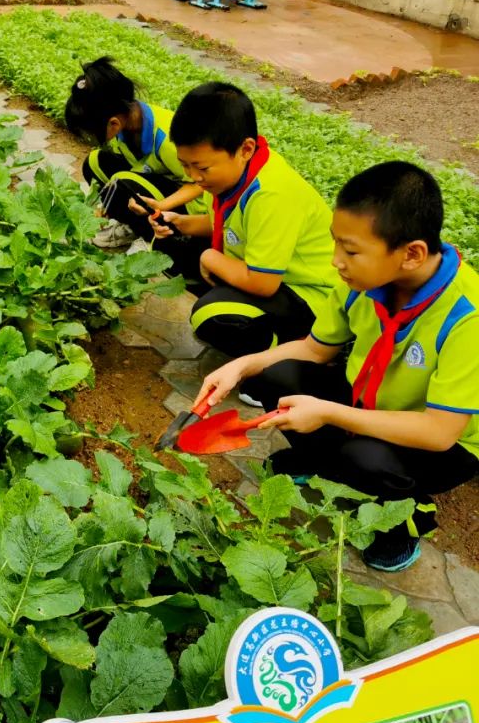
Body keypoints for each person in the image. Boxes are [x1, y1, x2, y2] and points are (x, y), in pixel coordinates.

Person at [196, 162, 479, 572]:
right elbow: (313, 350)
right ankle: (322, 463)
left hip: (444, 442)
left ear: (411, 253)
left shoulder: (467, 316)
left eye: (350, 251)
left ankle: (406, 523)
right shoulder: (362, 285)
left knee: (364, 457)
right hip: (368, 400)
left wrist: (328, 412)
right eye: (335, 245)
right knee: (278, 376)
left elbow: (439, 433)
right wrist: (241, 367)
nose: (335, 262)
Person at [146, 82, 337, 359]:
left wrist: (210, 258)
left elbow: (262, 283)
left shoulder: (271, 194)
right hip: (265, 272)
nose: (194, 177)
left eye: (201, 168)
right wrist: (179, 222)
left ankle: (280, 352)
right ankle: (241, 309)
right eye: (185, 165)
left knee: (212, 317)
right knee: (168, 246)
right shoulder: (232, 176)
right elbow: (223, 226)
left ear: (245, 149)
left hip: (309, 294)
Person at [65, 56, 209, 265]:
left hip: (194, 204)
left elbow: (202, 184)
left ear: (113, 123)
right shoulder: (125, 125)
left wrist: (161, 205)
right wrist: (102, 203)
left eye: (91, 132)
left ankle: (150, 238)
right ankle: (131, 225)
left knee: (123, 184)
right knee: (95, 162)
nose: (91, 137)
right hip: (160, 179)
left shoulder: (169, 138)